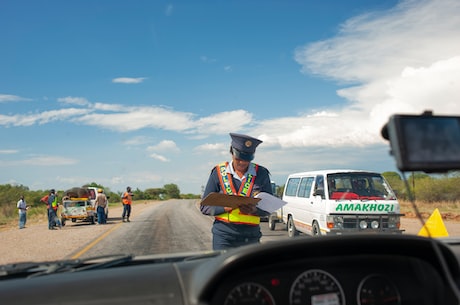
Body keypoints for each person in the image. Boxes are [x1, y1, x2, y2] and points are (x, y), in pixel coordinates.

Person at [201, 133, 273, 250]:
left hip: (251, 236)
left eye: (247, 159)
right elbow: (205, 207)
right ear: (232, 153)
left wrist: (255, 210)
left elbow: (269, 207)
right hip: (224, 236)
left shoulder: (261, 173)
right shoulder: (218, 172)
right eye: (238, 159)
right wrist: (225, 208)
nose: (242, 163)